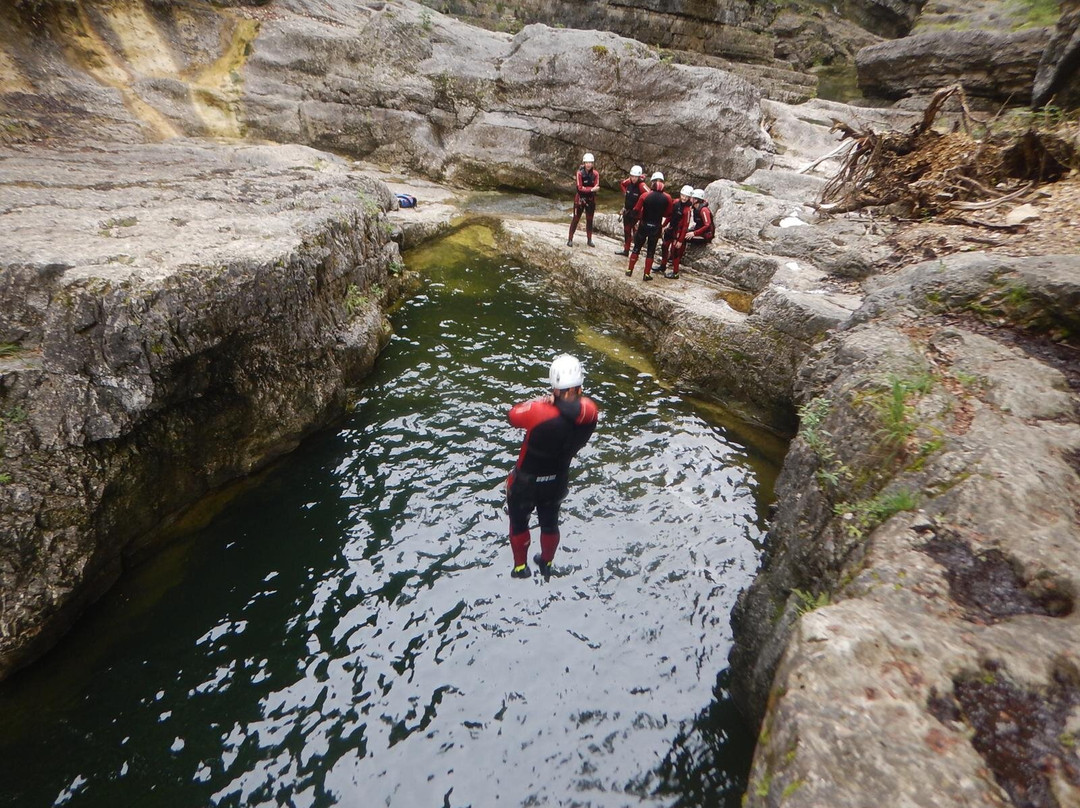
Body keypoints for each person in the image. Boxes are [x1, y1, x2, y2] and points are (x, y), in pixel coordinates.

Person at [506, 354, 599, 580]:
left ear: (554, 386)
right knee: (550, 523)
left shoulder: (539, 411)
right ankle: (546, 563)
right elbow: (580, 407)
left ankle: (521, 568)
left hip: (526, 482)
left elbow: (513, 415)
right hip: (557, 480)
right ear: (580, 385)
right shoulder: (590, 412)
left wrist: (544, 400)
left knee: (518, 523)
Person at [626, 171, 672, 281]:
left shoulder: (645, 195)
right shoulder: (668, 197)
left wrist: (636, 221)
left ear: (651, 183)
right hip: (656, 227)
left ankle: (629, 270)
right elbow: (668, 213)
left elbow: (636, 210)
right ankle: (646, 274)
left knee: (637, 248)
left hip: (644, 225)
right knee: (650, 251)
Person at [658, 184, 694, 279]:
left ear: (689, 198)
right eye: (683, 195)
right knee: (664, 246)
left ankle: (675, 272)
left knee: (675, 252)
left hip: (678, 233)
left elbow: (685, 226)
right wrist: (663, 225)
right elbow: (670, 216)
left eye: (686, 197)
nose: (684, 198)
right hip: (671, 229)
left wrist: (680, 240)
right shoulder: (676, 202)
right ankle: (662, 266)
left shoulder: (687, 210)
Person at [567, 153, 600, 247]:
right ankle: (570, 239)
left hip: (590, 199)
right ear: (584, 163)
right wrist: (591, 189)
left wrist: (590, 189)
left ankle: (589, 239)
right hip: (580, 199)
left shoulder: (595, 174)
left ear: (592, 163)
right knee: (576, 219)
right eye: (587, 162)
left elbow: (596, 187)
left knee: (590, 220)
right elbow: (579, 188)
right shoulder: (580, 173)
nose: (589, 164)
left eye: (590, 163)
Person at [615, 165, 648, 256]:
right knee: (627, 230)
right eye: (632, 176)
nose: (633, 179)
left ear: (639, 177)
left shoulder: (642, 185)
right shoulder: (628, 182)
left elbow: (649, 196)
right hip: (628, 210)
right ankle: (626, 250)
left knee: (633, 231)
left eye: (635, 177)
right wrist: (625, 193)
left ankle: (634, 251)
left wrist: (641, 207)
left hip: (636, 213)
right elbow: (622, 184)